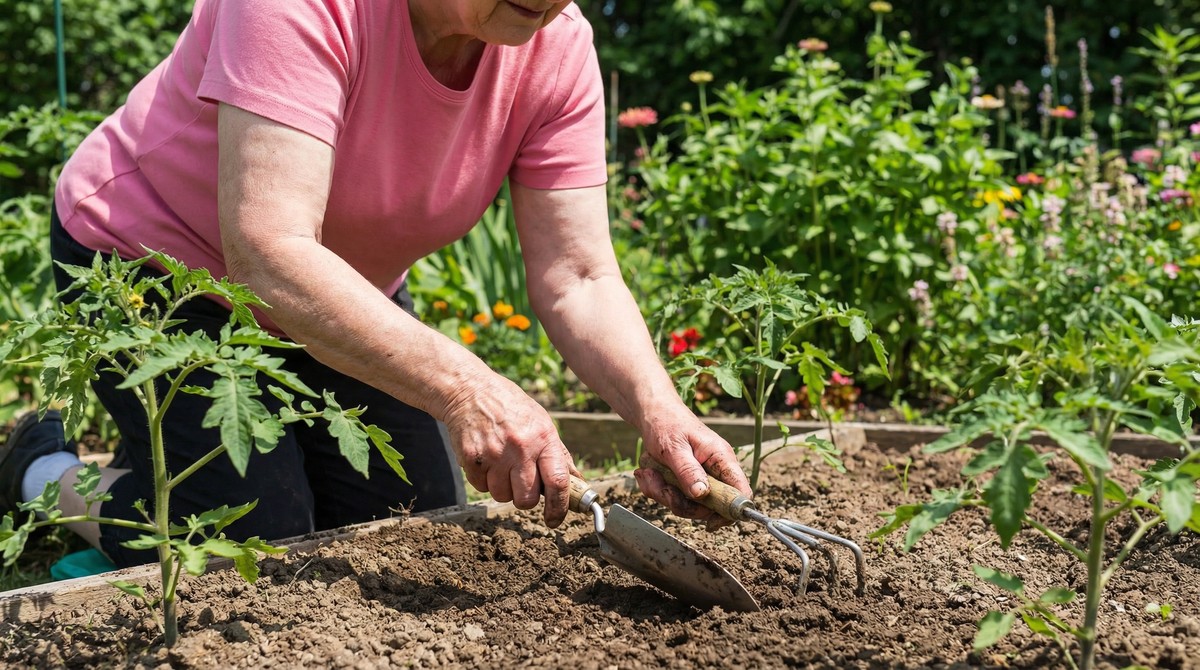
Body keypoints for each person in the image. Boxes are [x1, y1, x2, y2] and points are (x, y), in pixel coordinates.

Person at [0, 0, 751, 568]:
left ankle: (193, 458)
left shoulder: (557, 47)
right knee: (248, 540)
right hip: (151, 268)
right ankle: (39, 468)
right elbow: (268, 250)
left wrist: (660, 410)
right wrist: (466, 389)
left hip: (337, 289)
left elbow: (578, 274)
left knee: (411, 525)